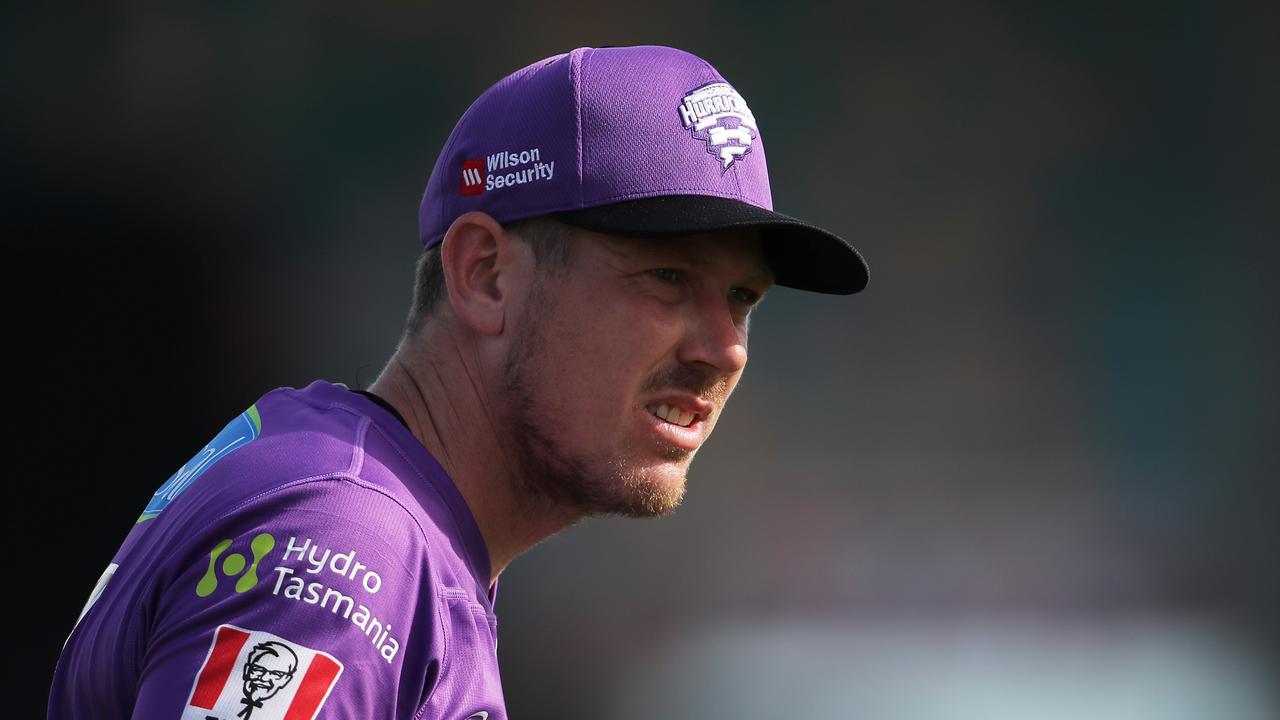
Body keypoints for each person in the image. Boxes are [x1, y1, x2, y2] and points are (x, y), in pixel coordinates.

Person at [48, 44, 868, 720]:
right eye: (664, 276)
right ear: (483, 274)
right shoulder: (341, 548)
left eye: (742, 299)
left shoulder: (378, 521)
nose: (725, 347)